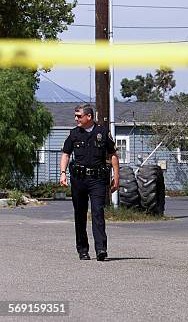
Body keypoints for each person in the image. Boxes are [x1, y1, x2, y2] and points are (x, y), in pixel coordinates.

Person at [59, 104, 119, 261]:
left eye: (79, 116)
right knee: (80, 214)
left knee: (98, 212)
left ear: (89, 117)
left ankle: (101, 249)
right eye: (75, 116)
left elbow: (113, 155)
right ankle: (83, 249)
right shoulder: (73, 134)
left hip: (97, 179)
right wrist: (63, 173)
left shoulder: (102, 132)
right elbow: (66, 154)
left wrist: (116, 177)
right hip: (79, 179)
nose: (76, 119)